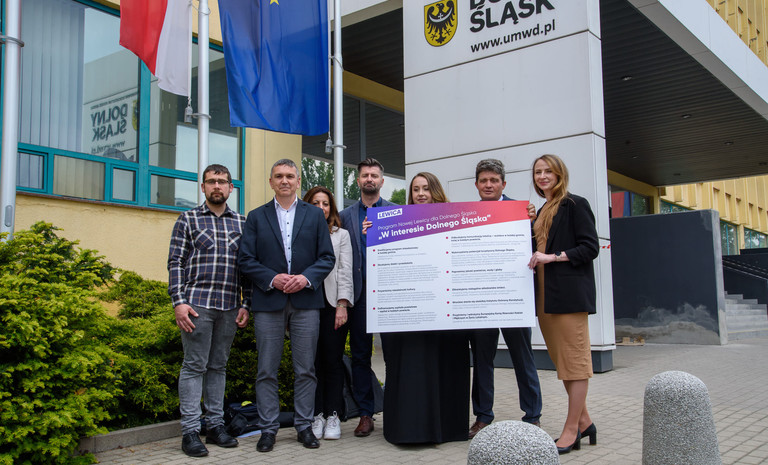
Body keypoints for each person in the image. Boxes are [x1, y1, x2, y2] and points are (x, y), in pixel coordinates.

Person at [237, 159, 336, 453]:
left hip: (306, 301)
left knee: (305, 369)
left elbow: (326, 258)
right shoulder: (256, 217)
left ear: (298, 181)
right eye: (279, 176)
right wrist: (272, 278)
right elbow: (246, 260)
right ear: (271, 182)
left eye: (290, 176)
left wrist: (305, 278)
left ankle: (304, 426)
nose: (284, 180)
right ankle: (268, 429)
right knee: (267, 369)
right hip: (268, 301)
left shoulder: (314, 215)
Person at [167, 164, 250, 458]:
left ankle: (215, 426)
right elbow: (175, 262)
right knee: (194, 366)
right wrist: (179, 302)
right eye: (211, 181)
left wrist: (246, 303)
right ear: (203, 187)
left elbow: (247, 269)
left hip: (229, 305)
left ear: (230, 188)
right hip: (197, 305)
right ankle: (190, 431)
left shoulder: (242, 223)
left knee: (218, 367)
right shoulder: (187, 219)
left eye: (222, 181)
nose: (217, 186)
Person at [381, 172, 471, 444]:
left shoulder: (454, 218)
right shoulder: (399, 222)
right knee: (414, 369)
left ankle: (448, 429)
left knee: (445, 367)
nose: (420, 194)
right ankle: (411, 429)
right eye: (416, 189)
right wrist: (373, 234)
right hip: (412, 312)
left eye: (426, 188)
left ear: (435, 191)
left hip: (447, 312)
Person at [527, 154, 599, 454]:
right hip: (546, 298)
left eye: (548, 171)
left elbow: (590, 247)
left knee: (576, 364)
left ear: (559, 174)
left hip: (568, 297)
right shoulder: (543, 210)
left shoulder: (575, 204)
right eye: (538, 172)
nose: (542, 176)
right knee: (563, 364)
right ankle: (585, 421)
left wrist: (553, 257)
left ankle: (572, 431)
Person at [468, 158, 543, 439]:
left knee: (523, 358)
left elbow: (537, 246)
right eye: (484, 180)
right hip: (482, 300)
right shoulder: (467, 215)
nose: (488, 185)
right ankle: (483, 416)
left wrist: (532, 222)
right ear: (476, 184)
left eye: (494, 180)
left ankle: (532, 416)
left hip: (514, 297)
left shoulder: (523, 212)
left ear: (503, 184)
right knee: (482, 361)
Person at [339, 157, 395, 437]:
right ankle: (365, 413)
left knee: (394, 355)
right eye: (365, 175)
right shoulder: (345, 216)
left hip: (392, 294)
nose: (369, 179)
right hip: (360, 296)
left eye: (374, 175)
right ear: (358, 180)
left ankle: (396, 410)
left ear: (382, 181)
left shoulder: (398, 212)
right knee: (361, 356)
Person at [303, 186, 354, 441]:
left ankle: (333, 414)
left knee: (332, 361)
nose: (321, 208)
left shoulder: (341, 235)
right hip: (305, 305)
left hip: (333, 305)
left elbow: (345, 270)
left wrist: (342, 304)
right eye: (315, 203)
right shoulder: (299, 232)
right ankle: (316, 415)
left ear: (331, 208)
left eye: (325, 203)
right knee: (311, 364)